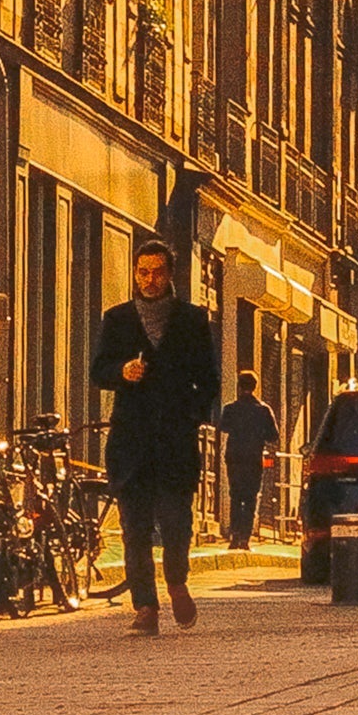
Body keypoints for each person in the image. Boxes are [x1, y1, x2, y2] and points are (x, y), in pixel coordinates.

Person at [90, 240, 220, 636]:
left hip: (176, 444)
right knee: (135, 530)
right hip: (131, 443)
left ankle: (177, 582)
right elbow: (98, 371)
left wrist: (190, 415)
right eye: (143, 272)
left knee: (176, 522)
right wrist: (121, 371)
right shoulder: (117, 319)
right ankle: (145, 607)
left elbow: (210, 382)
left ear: (170, 274)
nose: (149, 280)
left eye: (157, 272)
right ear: (135, 273)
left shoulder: (192, 320)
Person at [218, 372, 277, 552]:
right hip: (253, 458)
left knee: (236, 496)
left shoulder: (230, 409)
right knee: (250, 498)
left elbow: (223, 427)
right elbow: (273, 435)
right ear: (255, 386)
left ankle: (235, 536)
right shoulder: (263, 410)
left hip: (235, 458)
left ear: (239, 386)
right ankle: (245, 538)